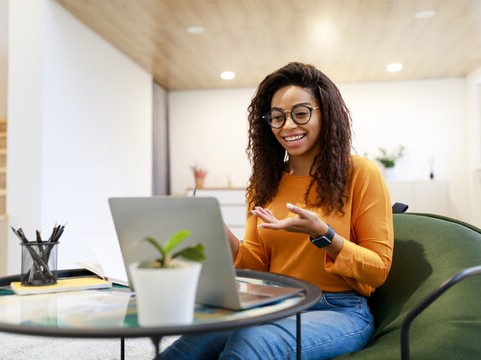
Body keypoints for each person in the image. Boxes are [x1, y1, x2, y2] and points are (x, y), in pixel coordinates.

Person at [161, 62, 394, 359]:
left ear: (327, 114)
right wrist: (216, 228)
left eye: (301, 113)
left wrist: (323, 234)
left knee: (250, 342)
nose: (287, 126)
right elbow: (254, 269)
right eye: (277, 117)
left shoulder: (360, 173)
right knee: (188, 347)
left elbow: (378, 270)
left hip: (339, 309)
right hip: (274, 302)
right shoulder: (264, 183)